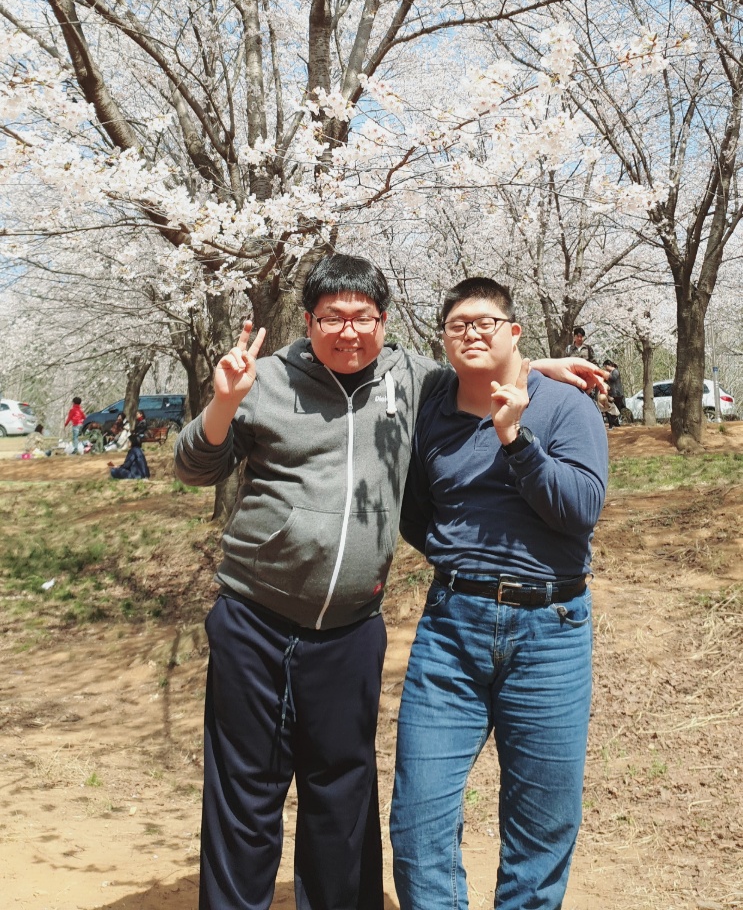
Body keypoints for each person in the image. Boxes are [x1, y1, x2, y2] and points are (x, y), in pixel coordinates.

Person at [174, 253, 605, 910]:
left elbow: (483, 371)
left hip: (356, 630)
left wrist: (536, 372)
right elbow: (193, 468)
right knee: (249, 792)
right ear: (309, 321)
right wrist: (223, 403)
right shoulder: (265, 377)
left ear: (384, 321)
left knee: (343, 794)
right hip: (257, 616)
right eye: (332, 318)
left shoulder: (410, 378)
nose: (348, 332)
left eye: (363, 318)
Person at [390, 276, 608, 910]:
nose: (472, 334)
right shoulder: (432, 407)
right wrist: (463, 562)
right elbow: (416, 514)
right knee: (418, 818)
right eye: (458, 326)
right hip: (451, 628)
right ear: (444, 340)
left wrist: (517, 441)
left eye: (486, 323)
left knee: (541, 824)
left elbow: (580, 510)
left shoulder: (565, 407)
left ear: (514, 332)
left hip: (550, 630)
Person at [602, 358, 626, 428]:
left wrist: (606, 375)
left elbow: (613, 378)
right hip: (612, 393)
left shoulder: (615, 371)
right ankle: (613, 423)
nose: (605, 368)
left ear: (608, 365)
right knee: (610, 409)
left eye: (605, 367)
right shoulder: (610, 373)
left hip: (617, 394)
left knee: (616, 410)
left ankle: (614, 423)